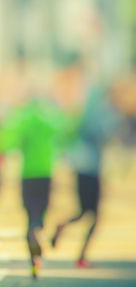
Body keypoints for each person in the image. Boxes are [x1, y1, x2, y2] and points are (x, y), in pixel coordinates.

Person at [0, 93, 71, 280]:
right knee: (40, 213)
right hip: (46, 172)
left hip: (27, 174)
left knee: (29, 215)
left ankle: (33, 260)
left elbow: (3, 144)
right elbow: (65, 135)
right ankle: (38, 238)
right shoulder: (47, 119)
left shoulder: (22, 120)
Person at [51, 83, 119, 268]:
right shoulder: (95, 115)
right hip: (90, 170)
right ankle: (81, 256)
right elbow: (101, 134)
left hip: (83, 169)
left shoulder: (84, 113)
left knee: (84, 213)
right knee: (93, 216)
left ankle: (64, 227)